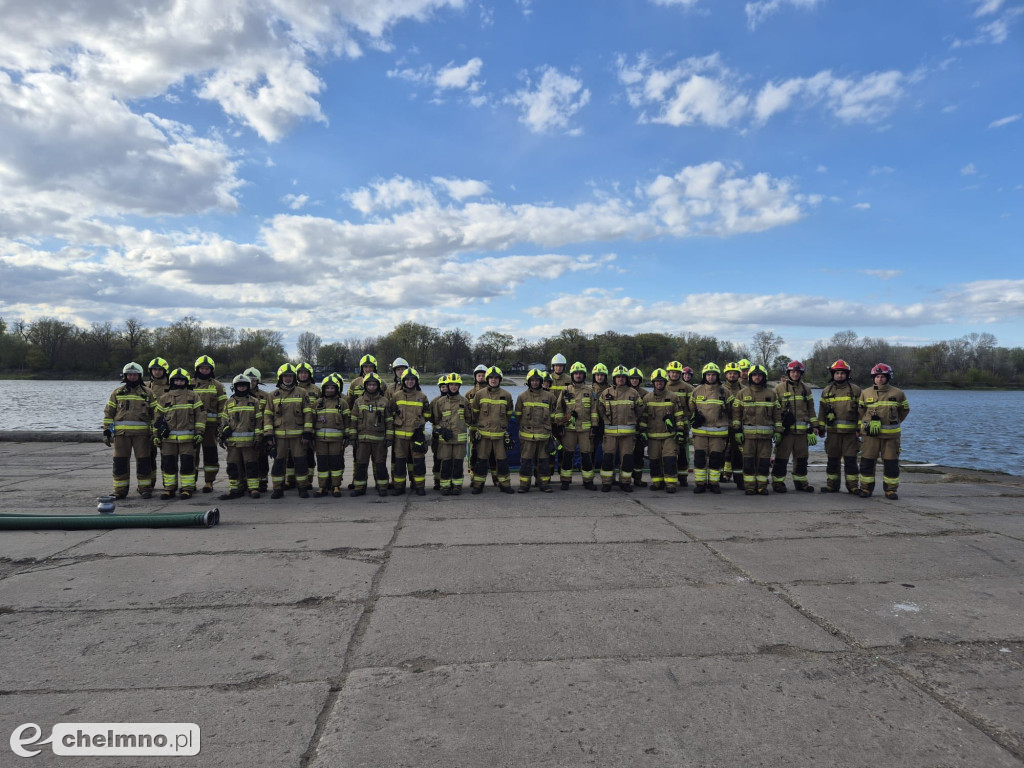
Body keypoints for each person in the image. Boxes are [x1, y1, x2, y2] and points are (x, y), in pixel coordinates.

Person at [102, 362, 155, 499]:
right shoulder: (117, 393)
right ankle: (120, 491)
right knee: (120, 463)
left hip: (142, 436)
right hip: (121, 435)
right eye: (129, 375)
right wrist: (107, 430)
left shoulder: (148, 393)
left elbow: (155, 414)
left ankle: (145, 489)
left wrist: (154, 432)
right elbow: (109, 413)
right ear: (125, 376)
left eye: (135, 375)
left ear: (140, 376)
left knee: (144, 462)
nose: (132, 377)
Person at [858, 363, 910, 500]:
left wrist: (894, 422)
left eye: (882, 376)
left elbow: (904, 410)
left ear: (888, 377)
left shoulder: (898, 393)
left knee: (891, 464)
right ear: (873, 378)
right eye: (877, 377)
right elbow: (860, 411)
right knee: (867, 463)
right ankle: (865, 489)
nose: (879, 379)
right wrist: (865, 425)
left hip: (891, 437)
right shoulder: (865, 393)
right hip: (870, 436)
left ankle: (890, 490)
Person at [153, 367, 204, 500]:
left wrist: (200, 432)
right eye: (176, 380)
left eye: (182, 380)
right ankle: (169, 489)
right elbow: (157, 418)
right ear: (172, 381)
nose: (179, 382)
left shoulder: (193, 396)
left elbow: (200, 415)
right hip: (168, 440)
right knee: (168, 464)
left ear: (186, 382)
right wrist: (156, 435)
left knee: (187, 464)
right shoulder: (164, 398)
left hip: (188, 439)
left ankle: (187, 489)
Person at [264, 363, 313, 499]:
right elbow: (268, 416)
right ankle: (277, 489)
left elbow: (308, 413)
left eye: (290, 376)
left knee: (301, 462)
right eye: (285, 376)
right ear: (280, 377)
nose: (288, 378)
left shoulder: (302, 393)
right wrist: (268, 435)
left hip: (298, 436)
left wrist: (307, 432)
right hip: (279, 436)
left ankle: (302, 488)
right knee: (278, 463)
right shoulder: (272, 395)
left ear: (294, 377)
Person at [731, 365, 781, 495]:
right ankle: (750, 487)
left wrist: (778, 431)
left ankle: (762, 487)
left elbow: (777, 415)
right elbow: (736, 414)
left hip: (766, 438)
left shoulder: (771, 394)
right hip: (748, 438)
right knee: (748, 463)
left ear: (764, 377)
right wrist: (737, 431)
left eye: (759, 375)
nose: (757, 377)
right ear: (750, 377)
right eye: (754, 375)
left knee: (764, 463)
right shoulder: (742, 394)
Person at [772, 360, 819, 493]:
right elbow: (774, 410)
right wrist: (777, 429)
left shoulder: (806, 389)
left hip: (802, 433)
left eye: (798, 372)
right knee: (781, 458)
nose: (795, 374)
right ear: (788, 373)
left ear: (801, 373)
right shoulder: (779, 388)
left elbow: (811, 409)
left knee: (802, 458)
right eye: (793, 372)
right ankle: (778, 483)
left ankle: (801, 482)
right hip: (786, 432)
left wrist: (814, 426)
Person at [817, 359, 862, 494]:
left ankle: (853, 486)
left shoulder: (856, 390)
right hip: (833, 433)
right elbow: (822, 412)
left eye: (842, 373)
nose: (840, 375)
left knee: (851, 461)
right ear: (833, 374)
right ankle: (832, 485)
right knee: (832, 460)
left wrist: (860, 428)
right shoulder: (827, 391)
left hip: (851, 434)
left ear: (847, 374)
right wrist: (821, 427)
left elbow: (862, 411)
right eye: (837, 373)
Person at [687, 363, 732, 494]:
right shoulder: (697, 390)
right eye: (708, 375)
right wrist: (694, 417)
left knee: (716, 459)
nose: (710, 377)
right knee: (700, 459)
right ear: (704, 376)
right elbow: (691, 409)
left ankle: (714, 484)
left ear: (717, 376)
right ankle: (700, 484)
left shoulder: (724, 391)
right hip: (700, 433)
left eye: (713, 375)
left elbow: (732, 410)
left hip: (718, 433)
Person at [218, 373, 264, 500]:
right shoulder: (229, 403)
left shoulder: (255, 402)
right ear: (234, 387)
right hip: (233, 444)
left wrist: (258, 438)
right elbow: (223, 420)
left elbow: (259, 423)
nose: (242, 387)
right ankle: (235, 489)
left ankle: (253, 488)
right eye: (239, 385)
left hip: (249, 444)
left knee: (251, 466)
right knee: (233, 466)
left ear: (248, 387)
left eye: (244, 385)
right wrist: (222, 433)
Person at [470, 366, 515, 494]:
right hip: (483, 435)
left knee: (502, 461)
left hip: (500, 435)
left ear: (500, 379)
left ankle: (505, 485)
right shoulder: (479, 394)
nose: (493, 380)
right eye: (491, 377)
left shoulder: (506, 395)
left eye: (496, 378)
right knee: (481, 461)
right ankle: (478, 485)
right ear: (487, 379)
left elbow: (508, 414)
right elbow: (475, 413)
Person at [598, 365, 643, 492]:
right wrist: (606, 420)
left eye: (623, 377)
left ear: (626, 378)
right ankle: (607, 482)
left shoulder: (633, 393)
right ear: (614, 378)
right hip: (610, 434)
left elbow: (640, 410)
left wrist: (632, 420)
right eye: (618, 377)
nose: (621, 379)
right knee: (608, 458)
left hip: (628, 435)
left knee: (627, 459)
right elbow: (600, 409)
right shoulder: (606, 393)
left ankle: (625, 482)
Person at [640, 369, 687, 493]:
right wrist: (642, 431)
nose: (659, 383)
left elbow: (679, 415)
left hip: (669, 436)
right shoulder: (647, 398)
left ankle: (671, 484)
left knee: (669, 460)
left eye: (661, 381)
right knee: (654, 461)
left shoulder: (673, 397)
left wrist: (680, 430)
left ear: (665, 382)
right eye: (657, 381)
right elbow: (644, 417)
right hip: (652, 436)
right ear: (653, 382)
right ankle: (657, 483)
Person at [514, 368, 559, 492]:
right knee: (526, 461)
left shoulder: (550, 397)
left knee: (544, 461)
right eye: (532, 380)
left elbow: (554, 415)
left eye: (537, 380)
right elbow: (518, 415)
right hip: (527, 437)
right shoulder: (522, 397)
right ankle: (524, 485)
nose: (534, 382)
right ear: (529, 382)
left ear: (541, 381)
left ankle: (544, 484)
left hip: (544, 436)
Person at [556, 362, 599, 490]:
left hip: (585, 430)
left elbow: (594, 411)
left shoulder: (590, 391)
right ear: (572, 375)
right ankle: (565, 481)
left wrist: (594, 426)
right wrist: (560, 425)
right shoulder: (565, 391)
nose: (578, 375)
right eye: (576, 373)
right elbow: (559, 409)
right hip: (569, 429)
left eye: (580, 373)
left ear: (584, 375)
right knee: (567, 455)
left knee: (586, 455)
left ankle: (588, 481)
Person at [388, 367, 431, 496]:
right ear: (403, 381)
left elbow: (427, 414)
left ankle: (419, 487)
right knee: (399, 463)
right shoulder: (396, 396)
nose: (410, 382)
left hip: (416, 436)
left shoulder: (422, 396)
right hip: (400, 437)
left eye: (412, 379)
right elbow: (390, 412)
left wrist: (420, 423)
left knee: (418, 462)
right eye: (407, 379)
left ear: (416, 381)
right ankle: (399, 487)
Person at [350, 372, 393, 497]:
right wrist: (353, 436)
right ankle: (359, 487)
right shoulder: (358, 402)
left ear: (378, 386)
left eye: (374, 385)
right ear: (365, 386)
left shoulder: (384, 402)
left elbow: (389, 421)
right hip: (362, 440)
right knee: (361, 464)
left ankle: (382, 486)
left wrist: (389, 437)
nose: (372, 387)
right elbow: (353, 420)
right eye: (369, 385)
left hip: (379, 440)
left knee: (380, 464)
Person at [311, 376, 352, 497]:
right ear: (323, 389)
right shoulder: (317, 403)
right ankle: (322, 487)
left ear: (336, 389)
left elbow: (347, 422)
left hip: (337, 440)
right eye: (327, 388)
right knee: (322, 464)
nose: (330, 390)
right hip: (320, 440)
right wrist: (311, 436)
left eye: (332, 388)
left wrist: (347, 437)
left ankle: (336, 486)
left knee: (336, 463)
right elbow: (311, 421)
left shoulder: (342, 403)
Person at [192, 355, 226, 493]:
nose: (204, 371)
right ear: (197, 369)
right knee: (191, 455)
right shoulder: (189, 384)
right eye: (202, 368)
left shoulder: (218, 386)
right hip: (192, 427)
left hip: (211, 428)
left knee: (210, 454)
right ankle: (190, 482)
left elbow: (223, 408)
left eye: (207, 368)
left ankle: (209, 481)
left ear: (211, 370)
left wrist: (221, 426)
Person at [432, 373, 470, 495]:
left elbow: (469, 419)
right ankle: (445, 486)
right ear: (447, 386)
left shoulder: (464, 401)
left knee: (458, 464)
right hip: (445, 440)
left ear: (459, 386)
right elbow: (435, 421)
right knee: (446, 463)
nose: (453, 387)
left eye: (456, 385)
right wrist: (441, 430)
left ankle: (457, 486)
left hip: (459, 440)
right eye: (451, 384)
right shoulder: (440, 402)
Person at [145, 356, 172, 489]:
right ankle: (150, 482)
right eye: (154, 369)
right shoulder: (145, 386)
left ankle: (168, 483)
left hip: (166, 426)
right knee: (148, 456)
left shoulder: (172, 386)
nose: (156, 372)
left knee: (167, 456)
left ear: (165, 371)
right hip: (148, 427)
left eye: (160, 369)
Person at [665, 360, 693, 487]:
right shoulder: (663, 385)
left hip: (684, 423)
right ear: (668, 373)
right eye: (672, 372)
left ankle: (683, 477)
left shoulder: (688, 388)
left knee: (682, 451)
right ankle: (668, 476)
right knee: (668, 451)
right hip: (667, 424)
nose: (674, 374)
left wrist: (689, 419)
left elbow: (692, 406)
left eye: (677, 372)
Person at [244, 366, 271, 493]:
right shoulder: (238, 396)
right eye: (249, 380)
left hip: (262, 431)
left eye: (254, 380)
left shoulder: (265, 396)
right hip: (245, 432)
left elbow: (270, 414)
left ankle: (263, 480)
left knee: (262, 457)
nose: (251, 382)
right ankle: (247, 481)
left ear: (258, 381)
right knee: (246, 458)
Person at [722, 362, 745, 489]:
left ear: (738, 375)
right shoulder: (719, 388)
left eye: (735, 373)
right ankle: (720, 476)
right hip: (723, 425)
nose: (732, 375)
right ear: (726, 375)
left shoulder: (744, 389)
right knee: (720, 452)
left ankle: (739, 479)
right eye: (730, 373)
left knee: (737, 453)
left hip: (738, 426)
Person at [627, 367, 650, 488]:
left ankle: (638, 479)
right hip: (627, 430)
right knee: (626, 455)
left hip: (641, 429)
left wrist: (643, 428)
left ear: (640, 380)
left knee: (639, 455)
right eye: (632, 378)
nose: (634, 380)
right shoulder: (624, 392)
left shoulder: (645, 394)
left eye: (636, 379)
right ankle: (625, 480)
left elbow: (647, 412)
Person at [430, 374, 450, 490]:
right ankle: (437, 481)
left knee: (449, 460)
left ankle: (448, 480)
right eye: (442, 387)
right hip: (437, 436)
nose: (445, 389)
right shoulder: (434, 402)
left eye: (446, 386)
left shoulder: (456, 401)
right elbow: (430, 417)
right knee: (437, 459)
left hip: (450, 436)